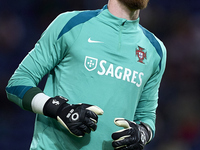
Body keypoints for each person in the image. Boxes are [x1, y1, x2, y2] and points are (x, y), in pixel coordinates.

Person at [6, 0, 167, 149]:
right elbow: (18, 83)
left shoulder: (156, 50)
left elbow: (146, 117)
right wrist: (59, 109)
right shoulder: (71, 24)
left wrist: (142, 133)